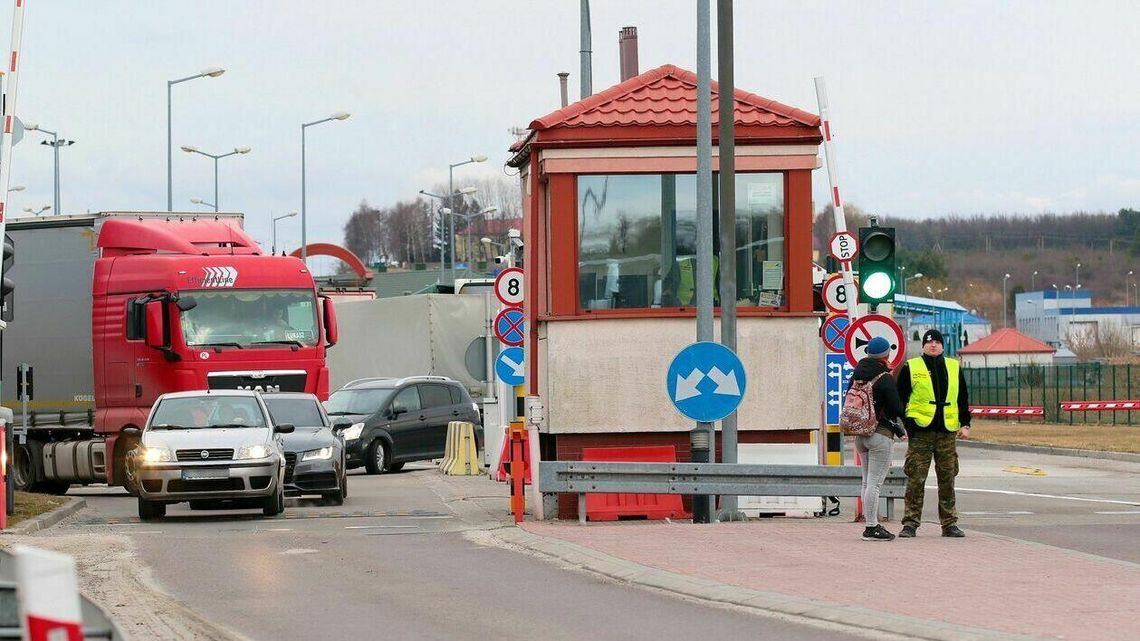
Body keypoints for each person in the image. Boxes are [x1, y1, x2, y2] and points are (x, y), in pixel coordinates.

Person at [896, 328, 972, 538]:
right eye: (929, 342)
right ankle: (910, 523)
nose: (933, 345)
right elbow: (900, 398)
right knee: (916, 479)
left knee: (947, 478)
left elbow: (962, 398)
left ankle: (949, 523)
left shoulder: (953, 366)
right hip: (921, 431)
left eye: (937, 342)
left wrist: (965, 424)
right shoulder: (912, 367)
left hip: (947, 431)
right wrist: (907, 423)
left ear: (942, 345)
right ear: (923, 346)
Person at [849, 336, 907, 541]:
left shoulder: (856, 375)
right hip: (880, 436)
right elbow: (896, 408)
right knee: (875, 483)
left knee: (866, 482)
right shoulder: (884, 377)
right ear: (885, 355)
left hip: (860, 435)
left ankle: (869, 523)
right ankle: (872, 527)